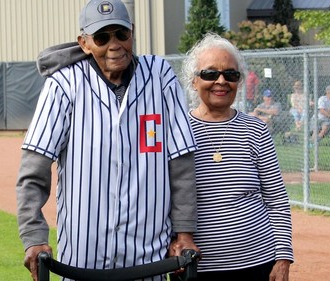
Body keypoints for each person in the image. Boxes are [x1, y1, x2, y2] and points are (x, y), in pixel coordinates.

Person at [16, 1, 199, 280]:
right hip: (82, 258)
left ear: (132, 33)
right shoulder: (64, 84)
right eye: (102, 37)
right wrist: (33, 235)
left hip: (148, 257)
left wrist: (184, 233)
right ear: (85, 43)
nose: (114, 45)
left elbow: (181, 162)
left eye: (121, 34)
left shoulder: (159, 76)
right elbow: (34, 169)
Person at [180, 33, 293, 280]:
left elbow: (277, 200)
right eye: (210, 74)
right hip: (198, 267)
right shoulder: (177, 131)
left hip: (258, 263)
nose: (221, 81)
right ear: (193, 81)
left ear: (239, 81)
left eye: (231, 75)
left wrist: (283, 258)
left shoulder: (256, 130)